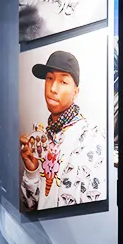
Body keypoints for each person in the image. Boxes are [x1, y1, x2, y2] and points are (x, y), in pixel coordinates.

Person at [20, 50, 106, 211]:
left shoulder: (92, 137)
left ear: (75, 92)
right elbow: (31, 207)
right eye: (49, 78)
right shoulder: (43, 138)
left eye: (63, 82)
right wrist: (32, 171)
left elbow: (95, 209)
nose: (53, 88)